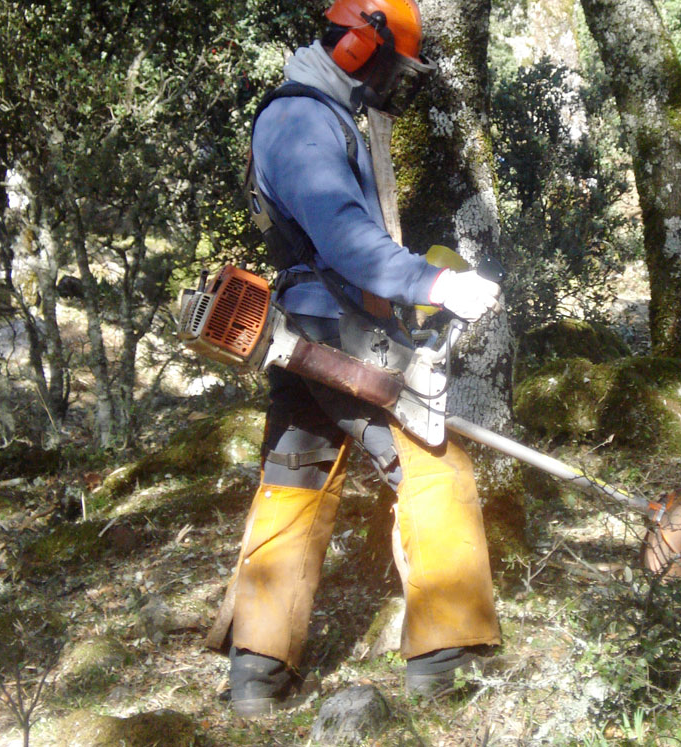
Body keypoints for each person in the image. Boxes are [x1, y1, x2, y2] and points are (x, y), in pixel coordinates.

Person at [205, 0, 503, 717]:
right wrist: (435, 282)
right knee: (433, 460)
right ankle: (442, 665)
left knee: (296, 476)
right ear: (360, 49)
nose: (393, 82)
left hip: (311, 322)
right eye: (391, 65)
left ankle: (257, 675)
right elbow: (341, 235)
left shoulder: (318, 110)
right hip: (331, 326)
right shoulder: (304, 118)